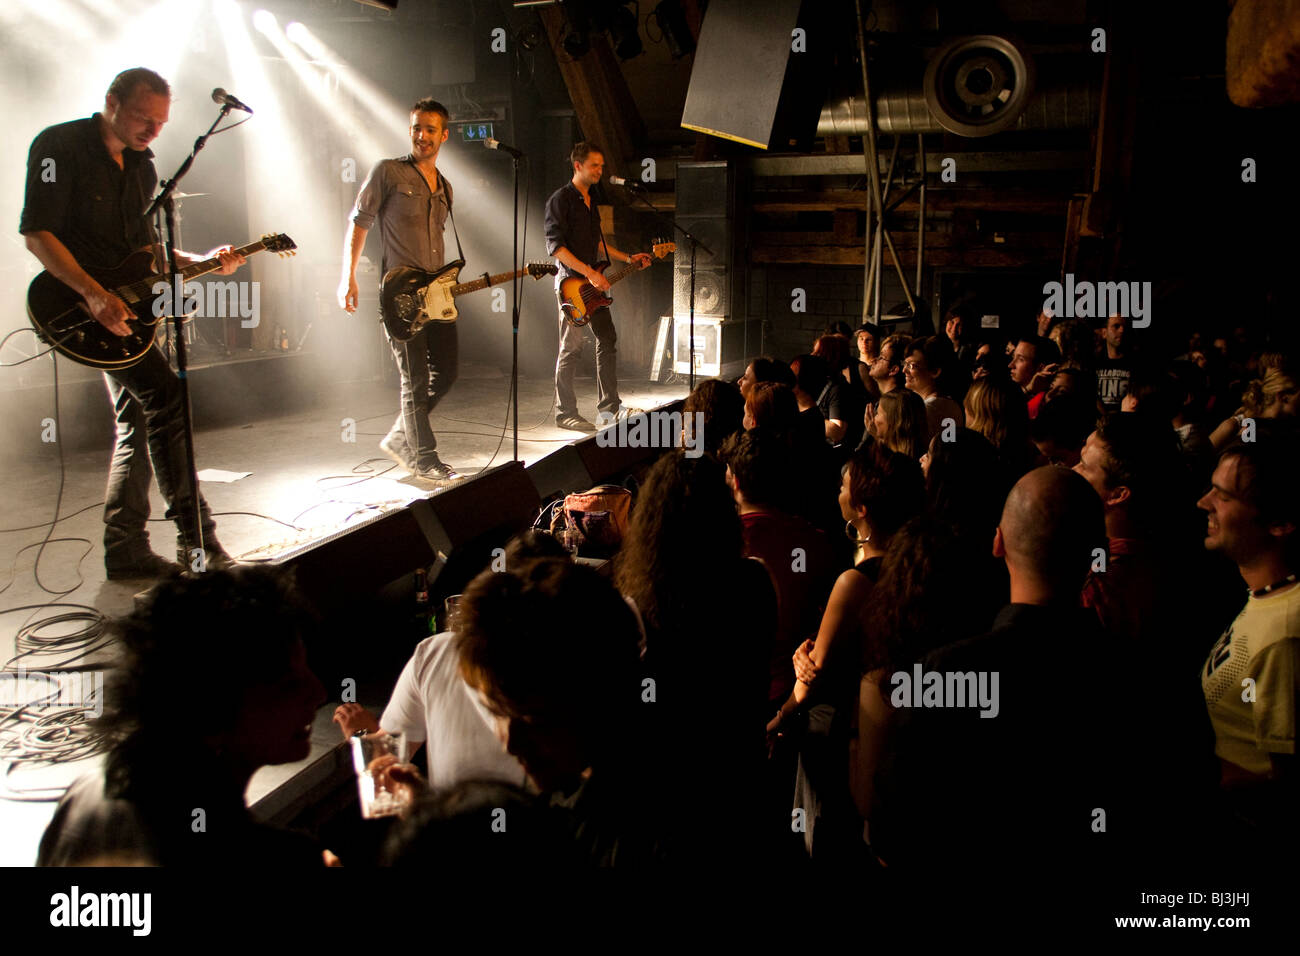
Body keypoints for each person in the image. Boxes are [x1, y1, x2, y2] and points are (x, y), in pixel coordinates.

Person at [21, 67, 244, 579]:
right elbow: (37, 233)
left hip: (121, 311)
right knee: (164, 397)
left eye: (161, 122)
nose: (152, 130)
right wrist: (94, 295)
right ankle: (198, 543)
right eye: (144, 117)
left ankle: (124, 547)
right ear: (112, 102)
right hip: (72, 305)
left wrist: (199, 260)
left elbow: (143, 252)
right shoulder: (59, 147)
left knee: (137, 417)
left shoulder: (143, 167)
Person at [38, 566, 329, 866]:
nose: (318, 692)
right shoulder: (273, 857)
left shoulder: (83, 795)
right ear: (211, 706)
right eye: (288, 684)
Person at [339, 97, 462, 482]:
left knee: (447, 370)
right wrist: (349, 276)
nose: (422, 136)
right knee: (415, 378)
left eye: (430, 129)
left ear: (444, 135)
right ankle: (424, 457)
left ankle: (401, 435)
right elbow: (359, 223)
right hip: (400, 294)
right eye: (416, 128)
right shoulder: (387, 172)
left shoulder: (445, 187)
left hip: (436, 295)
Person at [1198, 431, 1300, 844]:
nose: (1203, 502)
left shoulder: (1286, 636)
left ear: (1279, 524)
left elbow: (1286, 788)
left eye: (1222, 496)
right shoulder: (1267, 598)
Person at [546, 142, 650, 431]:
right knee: (572, 347)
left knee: (607, 338)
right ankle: (564, 412)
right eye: (595, 165)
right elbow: (556, 248)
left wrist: (629, 257)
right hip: (571, 284)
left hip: (593, 282)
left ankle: (609, 407)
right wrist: (589, 273)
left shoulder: (591, 203)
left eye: (602, 166)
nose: (600, 171)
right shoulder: (560, 200)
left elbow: (599, 247)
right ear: (577, 165)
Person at [1095, 313, 1135, 412]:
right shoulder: (1093, 363)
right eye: (1116, 326)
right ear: (1104, 333)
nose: (1122, 330)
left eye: (1125, 327)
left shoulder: (1136, 364)